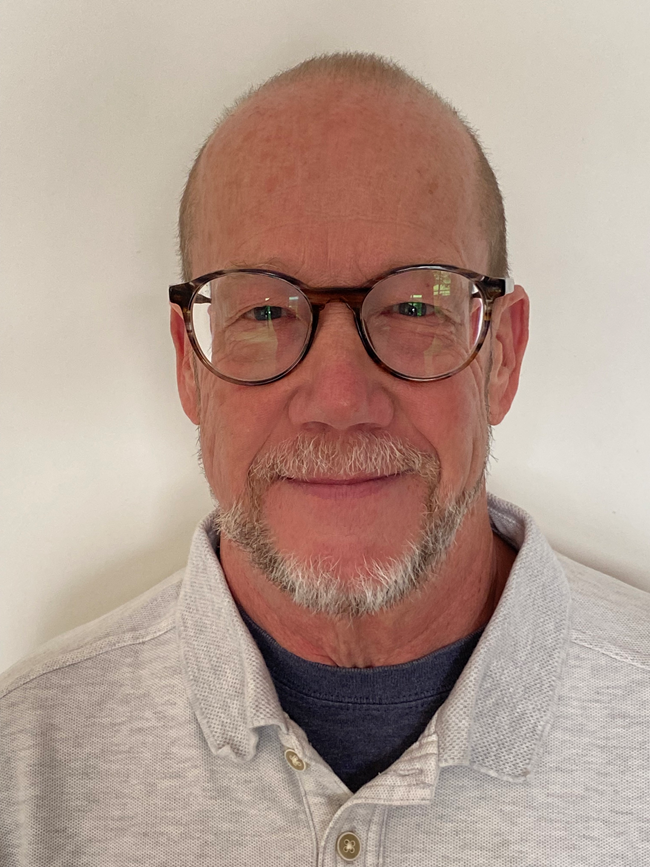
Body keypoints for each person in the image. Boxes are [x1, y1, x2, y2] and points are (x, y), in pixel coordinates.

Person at [1, 52, 649, 865]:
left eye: (416, 304)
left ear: (503, 355)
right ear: (188, 365)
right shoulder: (26, 765)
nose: (340, 398)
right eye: (265, 309)